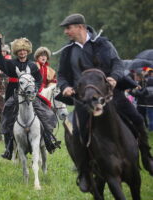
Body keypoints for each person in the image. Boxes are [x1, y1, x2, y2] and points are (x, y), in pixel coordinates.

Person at [56, 13, 153, 192]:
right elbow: (61, 75)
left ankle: (147, 158)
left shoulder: (103, 43)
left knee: (138, 119)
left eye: (68, 28)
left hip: (110, 94)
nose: (66, 32)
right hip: (83, 100)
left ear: (80, 27)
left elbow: (117, 63)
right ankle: (84, 173)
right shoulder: (68, 51)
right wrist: (64, 87)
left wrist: (114, 78)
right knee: (76, 131)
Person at [0, 31, 60, 160]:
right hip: (14, 95)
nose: (22, 52)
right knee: (8, 118)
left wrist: (35, 90)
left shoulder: (32, 66)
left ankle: (48, 141)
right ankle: (9, 148)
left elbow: (39, 80)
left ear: (27, 51)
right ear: (16, 52)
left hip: (31, 95)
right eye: (20, 50)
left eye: (24, 50)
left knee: (45, 113)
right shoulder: (10, 64)